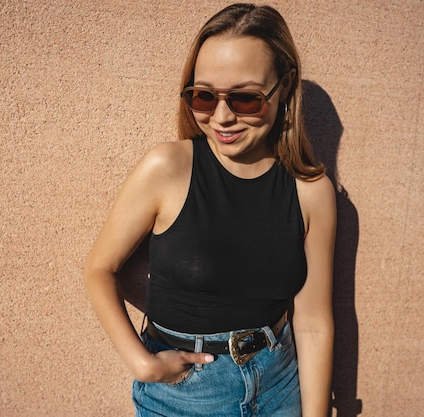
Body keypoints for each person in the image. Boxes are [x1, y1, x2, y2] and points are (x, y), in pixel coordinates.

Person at [84, 3, 335, 416]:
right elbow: (100, 268)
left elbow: (313, 323)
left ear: (285, 86)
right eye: (203, 96)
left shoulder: (311, 192)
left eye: (246, 98)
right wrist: (142, 363)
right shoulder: (167, 168)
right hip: (185, 395)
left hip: (280, 386)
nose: (221, 116)